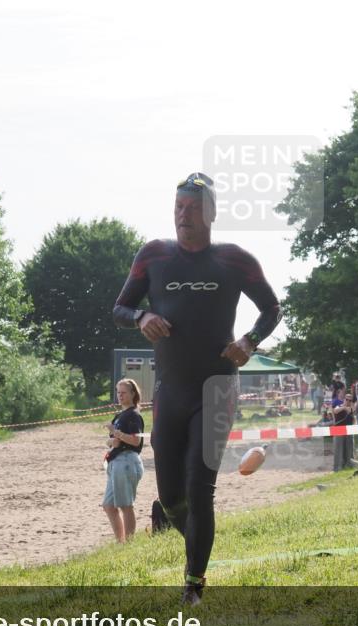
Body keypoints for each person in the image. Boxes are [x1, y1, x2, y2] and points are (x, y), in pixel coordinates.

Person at [112, 173, 281, 604]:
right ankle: (194, 542)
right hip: (171, 388)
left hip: (218, 386)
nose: (181, 216)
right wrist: (140, 318)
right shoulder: (153, 257)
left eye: (190, 209)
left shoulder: (233, 260)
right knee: (170, 493)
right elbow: (120, 307)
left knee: (200, 483)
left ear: (210, 213)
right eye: (177, 208)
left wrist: (249, 341)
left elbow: (271, 307)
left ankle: (194, 584)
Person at [103, 379, 145, 543]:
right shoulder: (120, 415)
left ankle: (129, 542)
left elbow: (136, 441)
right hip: (117, 461)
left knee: (125, 505)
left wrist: (116, 433)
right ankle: (121, 542)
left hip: (127, 461)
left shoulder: (134, 415)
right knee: (109, 505)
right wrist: (112, 440)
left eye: (124, 392)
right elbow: (115, 441)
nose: (120, 395)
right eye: (118, 392)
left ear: (133, 394)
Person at [332, 394, 357, 471]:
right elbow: (335, 411)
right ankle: (337, 468)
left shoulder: (352, 409)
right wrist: (344, 408)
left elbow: (354, 420)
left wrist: (352, 410)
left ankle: (349, 465)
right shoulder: (339, 406)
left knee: (349, 449)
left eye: (350, 400)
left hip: (349, 431)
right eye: (347, 399)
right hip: (339, 431)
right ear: (344, 399)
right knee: (338, 450)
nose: (348, 401)